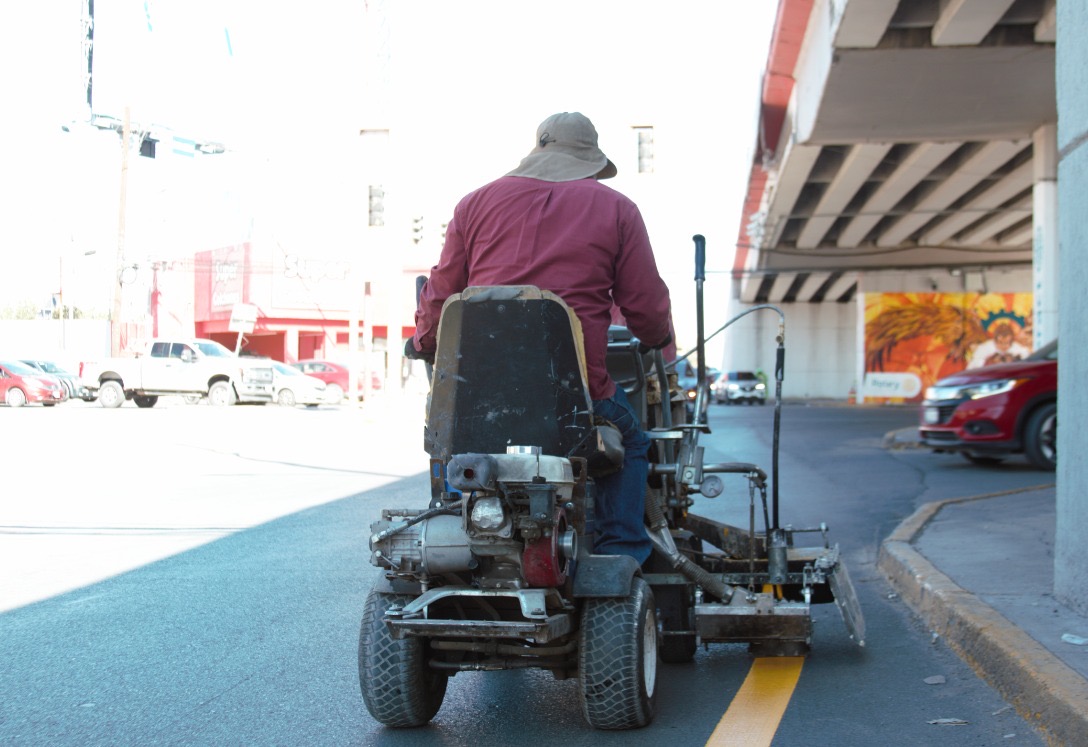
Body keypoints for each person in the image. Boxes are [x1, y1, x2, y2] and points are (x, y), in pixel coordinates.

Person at [406, 111, 673, 565]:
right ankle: (622, 553)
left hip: (480, 392)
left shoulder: (474, 204)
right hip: (577, 396)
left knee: (454, 437)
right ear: (589, 160)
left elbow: (441, 290)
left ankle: (458, 523)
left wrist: (424, 342)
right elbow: (646, 305)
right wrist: (654, 335)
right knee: (630, 441)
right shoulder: (617, 209)